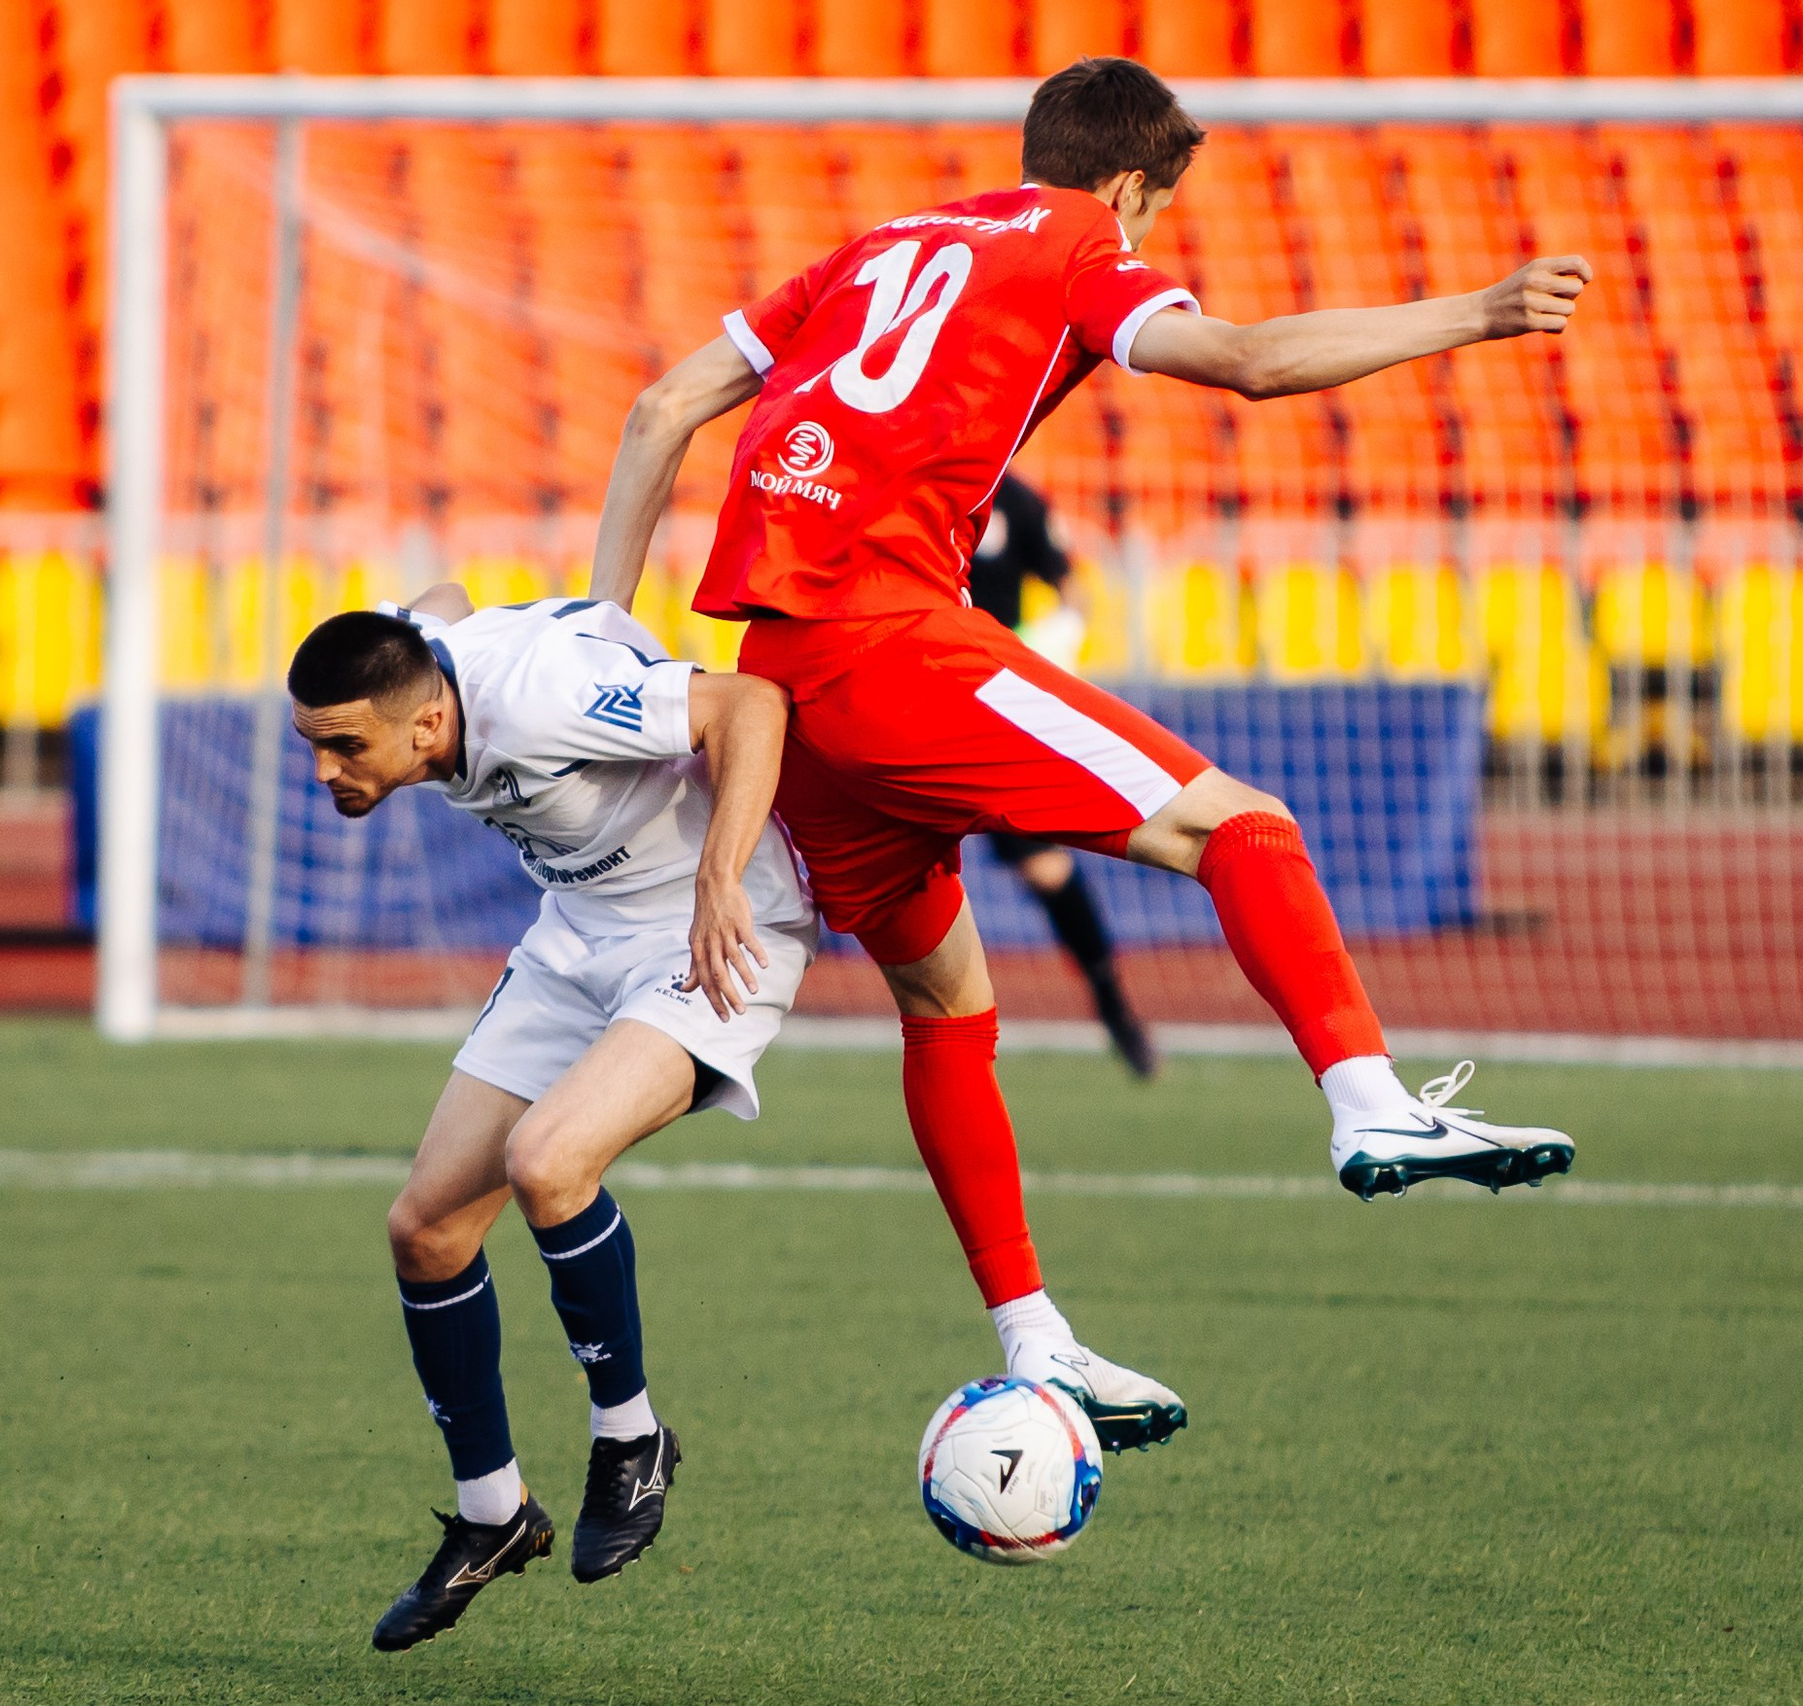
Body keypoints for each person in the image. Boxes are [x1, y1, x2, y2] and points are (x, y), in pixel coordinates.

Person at [585, 58, 1582, 1382]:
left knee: (947, 1005)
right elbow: (1245, 361)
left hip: (774, 684)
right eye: (1156, 214)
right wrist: (1481, 311)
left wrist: (597, 628)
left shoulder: (878, 242)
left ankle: (1037, 1342)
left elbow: (660, 409)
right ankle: (1370, 1103)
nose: (1149, 237)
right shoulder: (1077, 245)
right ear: (1128, 187)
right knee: (1242, 826)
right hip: (888, 645)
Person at [285, 589, 809, 1650]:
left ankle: (632, 1435)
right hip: (575, 936)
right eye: (312, 744)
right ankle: (492, 1512)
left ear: (426, 723)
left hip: (702, 933)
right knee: (426, 1228)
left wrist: (718, 878)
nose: (326, 768)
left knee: (547, 1160)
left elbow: (749, 704)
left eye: (344, 745)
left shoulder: (536, 703)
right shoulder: (424, 672)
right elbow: (435, 603)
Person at [965, 471, 1158, 1078]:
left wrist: (1046, 646)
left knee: (1045, 869)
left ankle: (1111, 997)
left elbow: (1073, 594)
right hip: (908, 691)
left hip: (991, 714)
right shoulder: (912, 480)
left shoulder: (1016, 501)